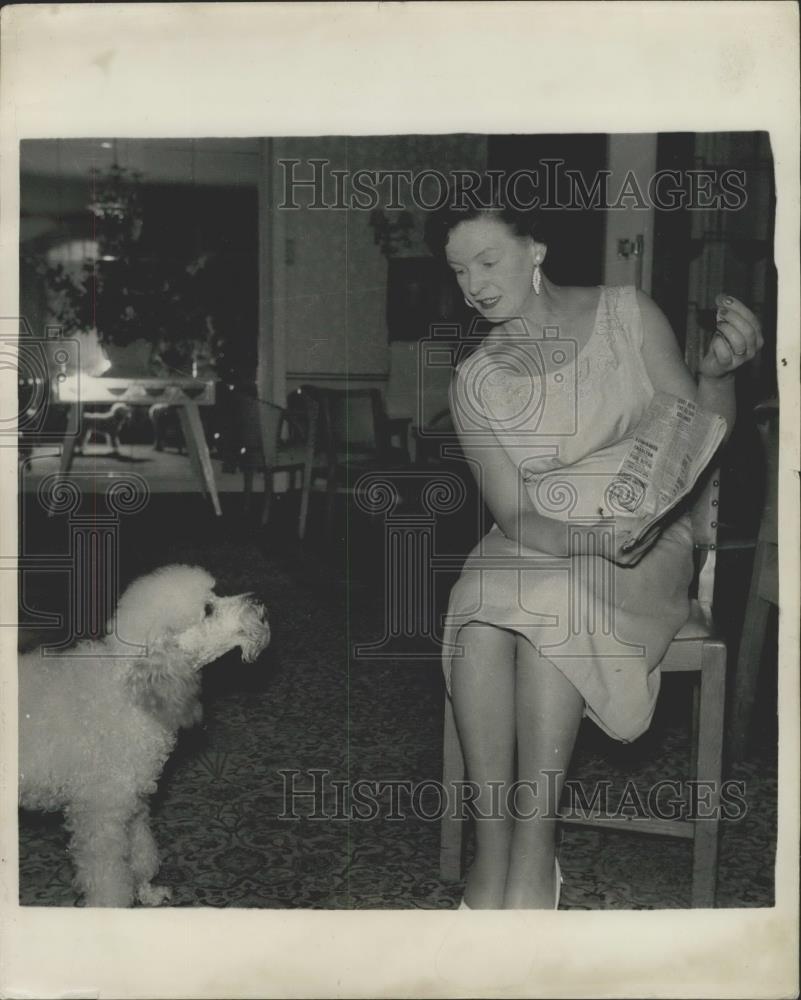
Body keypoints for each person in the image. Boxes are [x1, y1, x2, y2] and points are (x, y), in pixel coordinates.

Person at [426, 184, 763, 910]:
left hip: (643, 539)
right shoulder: (475, 380)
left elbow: (699, 439)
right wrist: (583, 541)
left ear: (534, 249)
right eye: (458, 272)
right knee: (480, 613)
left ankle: (535, 851)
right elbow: (515, 514)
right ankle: (496, 859)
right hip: (542, 536)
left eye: (487, 261)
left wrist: (717, 376)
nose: (474, 287)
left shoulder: (627, 313)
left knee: (547, 606)